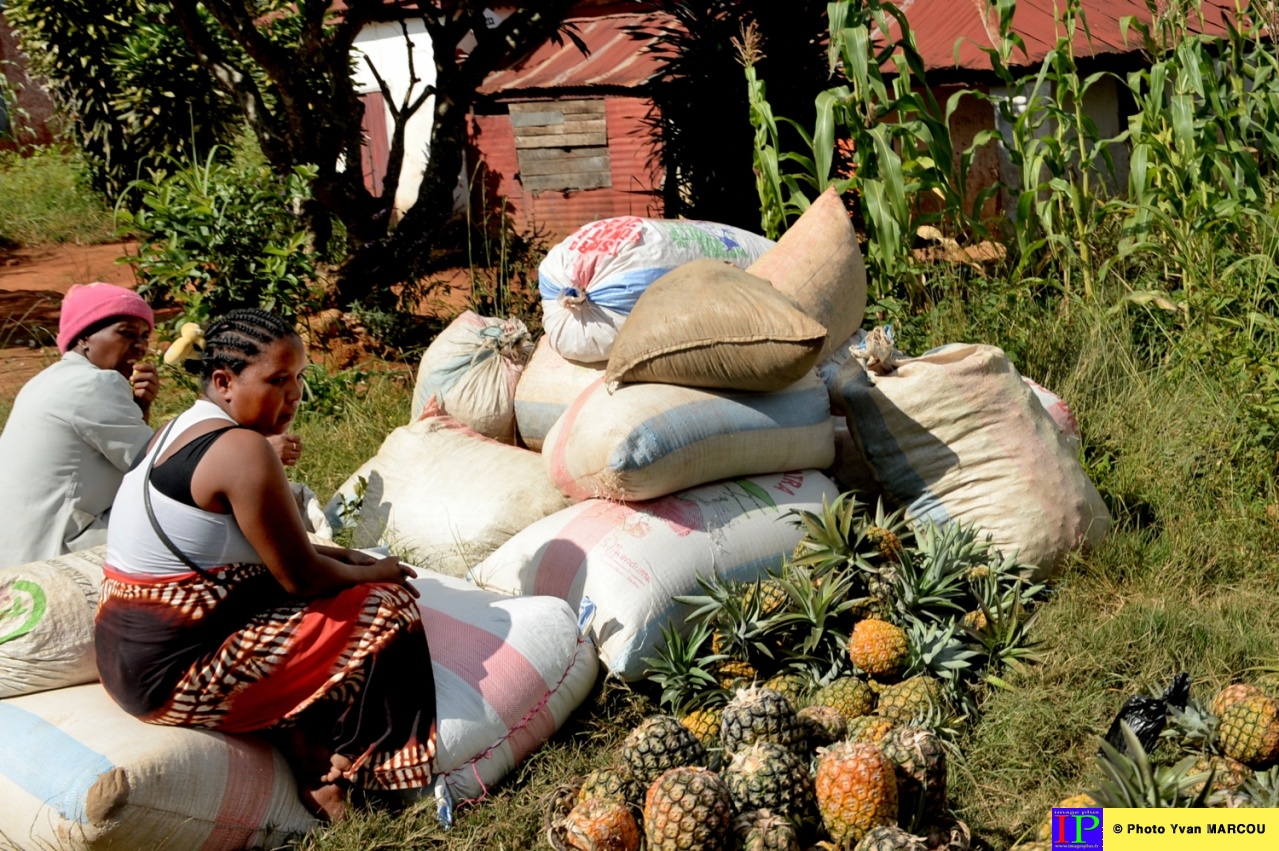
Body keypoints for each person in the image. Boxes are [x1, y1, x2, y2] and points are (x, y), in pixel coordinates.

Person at [94, 308, 436, 820]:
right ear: (223, 381)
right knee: (385, 609)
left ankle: (303, 743)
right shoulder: (244, 450)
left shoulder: (178, 428)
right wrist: (376, 573)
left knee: (325, 587)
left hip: (126, 659)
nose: (294, 394)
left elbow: (253, 545)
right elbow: (300, 576)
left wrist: (343, 554)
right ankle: (372, 771)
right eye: (277, 380)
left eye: (297, 377)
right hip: (174, 676)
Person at [0, 283, 160, 567]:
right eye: (127, 333)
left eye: (144, 336)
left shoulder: (45, 381)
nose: (141, 346)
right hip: (56, 553)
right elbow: (155, 467)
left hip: (18, 550)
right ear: (85, 336)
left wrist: (140, 407)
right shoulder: (96, 383)